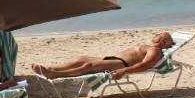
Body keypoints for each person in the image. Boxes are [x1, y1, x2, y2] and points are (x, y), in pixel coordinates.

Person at [32, 33, 175, 80]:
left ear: (163, 42)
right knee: (80, 59)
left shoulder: (154, 51)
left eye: (160, 35)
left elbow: (145, 65)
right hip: (112, 58)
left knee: (89, 66)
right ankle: (51, 68)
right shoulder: (146, 45)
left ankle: (55, 74)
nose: (156, 35)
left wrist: (124, 71)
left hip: (121, 64)